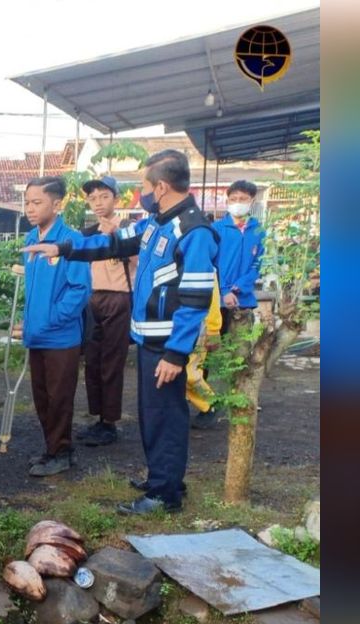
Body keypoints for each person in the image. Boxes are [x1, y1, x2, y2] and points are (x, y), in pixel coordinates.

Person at [23, 149, 218, 515]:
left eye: (144, 184)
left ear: (160, 186)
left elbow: (195, 297)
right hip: (148, 339)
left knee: (165, 415)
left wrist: (177, 354)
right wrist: (62, 248)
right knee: (152, 413)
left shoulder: (194, 231)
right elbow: (108, 242)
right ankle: (162, 477)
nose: (141, 191)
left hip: (166, 345)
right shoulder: (155, 223)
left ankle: (164, 495)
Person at [20, 177, 92, 477]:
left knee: (59, 397)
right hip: (36, 334)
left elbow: (80, 290)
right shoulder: (31, 240)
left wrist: (52, 318)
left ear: (57, 203)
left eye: (37, 202)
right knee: (42, 396)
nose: (29, 209)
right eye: (27, 202)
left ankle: (60, 451)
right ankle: (54, 447)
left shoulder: (70, 241)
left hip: (60, 336)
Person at [75, 176, 135, 447]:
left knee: (112, 362)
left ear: (117, 200)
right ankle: (98, 417)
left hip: (119, 300)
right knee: (92, 361)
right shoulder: (88, 235)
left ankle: (110, 423)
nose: (98, 202)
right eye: (93, 198)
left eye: (104, 197)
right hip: (92, 301)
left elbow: (140, 261)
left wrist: (116, 235)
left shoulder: (129, 230)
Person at [213, 180, 265, 334]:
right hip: (218, 300)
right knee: (215, 349)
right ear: (227, 201)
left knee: (241, 349)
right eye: (233, 199)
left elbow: (257, 264)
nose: (237, 202)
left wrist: (239, 286)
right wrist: (224, 291)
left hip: (244, 299)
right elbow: (211, 265)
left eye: (243, 199)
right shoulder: (216, 229)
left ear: (252, 201)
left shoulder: (259, 231)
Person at [187, 279, 223, 430]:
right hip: (183, 325)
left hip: (199, 327)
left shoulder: (204, 263)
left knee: (190, 373)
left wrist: (213, 329)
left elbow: (214, 299)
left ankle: (210, 402)